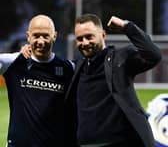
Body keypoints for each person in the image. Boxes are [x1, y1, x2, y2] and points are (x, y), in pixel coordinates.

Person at [64, 14, 162, 147]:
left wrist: (127, 26)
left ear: (103, 35)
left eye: (89, 37)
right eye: (80, 39)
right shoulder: (76, 68)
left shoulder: (120, 58)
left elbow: (153, 55)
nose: (85, 43)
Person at [0, 14, 77, 147]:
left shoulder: (68, 68)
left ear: (54, 36)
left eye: (45, 36)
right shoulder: (13, 62)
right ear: (28, 36)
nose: (40, 41)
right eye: (36, 35)